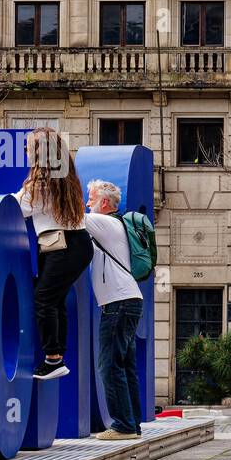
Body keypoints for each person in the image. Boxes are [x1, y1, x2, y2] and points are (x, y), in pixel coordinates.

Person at [13, 128, 93, 379]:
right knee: (55, 299)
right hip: (76, 244)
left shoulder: (40, 184)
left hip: (60, 246)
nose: (25, 152)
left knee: (44, 299)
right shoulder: (64, 178)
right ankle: (57, 357)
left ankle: (54, 358)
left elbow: (17, 206)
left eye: (28, 148)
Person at [85, 179, 143, 440]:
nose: (87, 203)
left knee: (109, 364)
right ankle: (132, 422)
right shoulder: (115, 225)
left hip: (118, 303)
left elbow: (69, 216)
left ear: (104, 203)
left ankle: (123, 425)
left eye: (91, 198)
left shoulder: (105, 223)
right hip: (129, 300)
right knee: (125, 365)